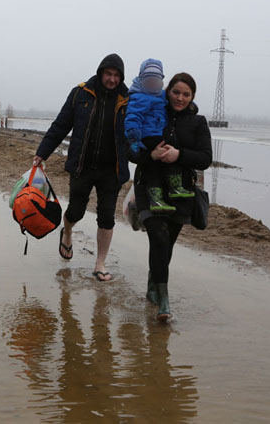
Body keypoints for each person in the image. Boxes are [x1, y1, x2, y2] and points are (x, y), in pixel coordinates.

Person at [33, 53, 130, 282]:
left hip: (112, 170)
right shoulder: (81, 93)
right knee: (75, 210)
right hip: (82, 166)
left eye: (117, 75)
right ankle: (67, 232)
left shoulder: (128, 99)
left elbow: (138, 133)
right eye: (108, 74)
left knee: (107, 217)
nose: (112, 79)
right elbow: (61, 125)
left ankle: (100, 263)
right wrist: (41, 153)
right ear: (100, 72)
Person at [129, 72, 212, 322]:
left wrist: (180, 155)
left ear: (192, 97)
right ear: (167, 91)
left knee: (167, 243)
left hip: (181, 192)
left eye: (186, 94)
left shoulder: (198, 123)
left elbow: (205, 158)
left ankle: (153, 283)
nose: (180, 97)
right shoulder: (154, 111)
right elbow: (131, 150)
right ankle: (164, 301)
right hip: (149, 186)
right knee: (159, 236)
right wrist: (150, 155)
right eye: (176, 92)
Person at [125, 59, 194, 215]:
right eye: (148, 81)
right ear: (142, 80)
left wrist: (192, 106)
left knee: (169, 155)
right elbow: (132, 117)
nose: (152, 84)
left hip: (157, 134)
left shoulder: (161, 95)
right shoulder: (138, 97)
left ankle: (174, 187)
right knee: (155, 165)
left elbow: (177, 99)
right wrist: (134, 138)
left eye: (155, 81)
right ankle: (159, 196)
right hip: (147, 135)